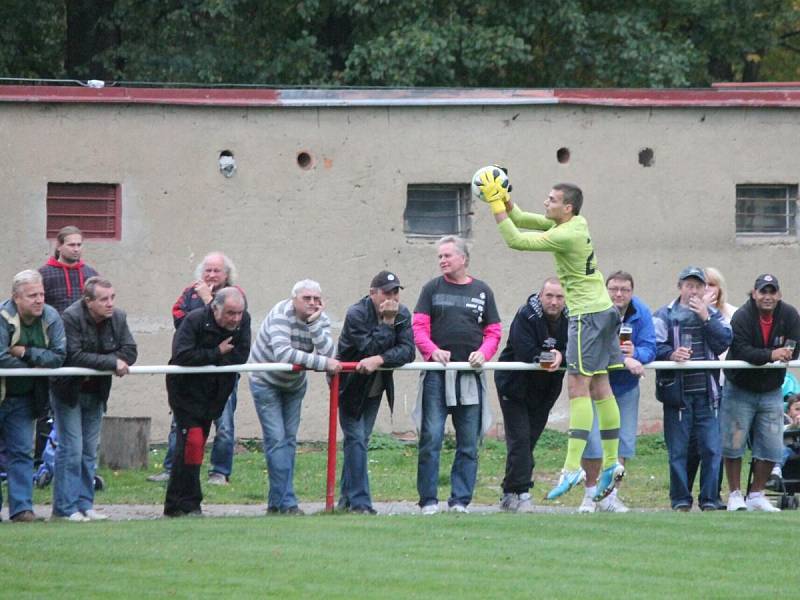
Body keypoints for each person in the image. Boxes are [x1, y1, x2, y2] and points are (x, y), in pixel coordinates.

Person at [477, 175, 625, 501]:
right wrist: (505, 201)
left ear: (567, 207)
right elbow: (524, 219)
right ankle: (613, 463)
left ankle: (572, 467)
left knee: (577, 386)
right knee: (601, 386)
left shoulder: (566, 235)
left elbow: (516, 240)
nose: (546, 203)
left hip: (586, 315)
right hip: (605, 311)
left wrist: (491, 205)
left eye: (552, 200)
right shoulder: (577, 223)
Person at [412, 235, 501, 514]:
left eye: (447, 255)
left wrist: (484, 354)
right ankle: (428, 501)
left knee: (468, 442)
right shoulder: (431, 289)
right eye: (440, 256)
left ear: (463, 259)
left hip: (469, 376)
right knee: (431, 438)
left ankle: (460, 501)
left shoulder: (483, 291)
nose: (442, 260)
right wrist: (432, 351)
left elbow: (494, 332)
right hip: (437, 376)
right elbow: (418, 328)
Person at [149, 252, 244, 485]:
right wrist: (206, 311)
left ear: (226, 274)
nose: (211, 275)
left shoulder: (235, 295)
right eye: (207, 270)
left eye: (216, 271)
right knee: (180, 424)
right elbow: (182, 323)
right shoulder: (189, 292)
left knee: (224, 423)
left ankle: (219, 472)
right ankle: (172, 468)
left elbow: (230, 330)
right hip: (191, 371)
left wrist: (208, 300)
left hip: (222, 372)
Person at [248, 280, 340, 515]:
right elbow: (284, 353)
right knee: (277, 439)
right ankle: (287, 502)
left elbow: (330, 355)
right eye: (306, 298)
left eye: (315, 299)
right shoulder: (281, 313)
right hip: (265, 380)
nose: (311, 303)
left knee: (288, 441)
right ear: (294, 299)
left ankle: (276, 503)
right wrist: (323, 363)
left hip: (293, 384)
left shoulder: (320, 319)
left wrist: (314, 324)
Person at [50, 277, 137, 522]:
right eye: (103, 299)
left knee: (90, 450)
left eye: (112, 298)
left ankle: (85, 504)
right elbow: (74, 355)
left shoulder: (118, 317)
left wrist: (111, 360)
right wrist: (111, 361)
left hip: (96, 392)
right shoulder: (70, 317)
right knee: (72, 449)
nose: (110, 304)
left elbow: (130, 351)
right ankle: (64, 509)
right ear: (88, 301)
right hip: (68, 392)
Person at [163, 287, 250, 517]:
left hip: (216, 394)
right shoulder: (194, 320)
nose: (236, 319)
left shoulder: (244, 321)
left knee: (194, 447)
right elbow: (182, 355)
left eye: (239, 313)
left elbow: (241, 355)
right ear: (215, 308)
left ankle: (177, 505)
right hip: (185, 392)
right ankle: (187, 504)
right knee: (191, 444)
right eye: (231, 313)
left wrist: (216, 358)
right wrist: (216, 353)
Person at [653, 266, 732, 511]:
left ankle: (710, 500)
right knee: (678, 452)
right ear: (680, 287)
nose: (694, 291)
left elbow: (724, 342)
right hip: (677, 395)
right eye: (689, 286)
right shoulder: (665, 314)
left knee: (711, 448)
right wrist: (671, 353)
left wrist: (706, 318)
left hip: (708, 395)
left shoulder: (713, 315)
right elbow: (653, 346)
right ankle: (680, 500)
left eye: (698, 286)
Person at [336, 271, 415, 514]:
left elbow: (407, 351)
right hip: (350, 385)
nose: (391, 297)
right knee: (357, 440)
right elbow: (367, 348)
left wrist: (380, 359)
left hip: (375, 386)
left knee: (358, 441)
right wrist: (387, 324)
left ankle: (346, 500)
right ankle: (360, 504)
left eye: (395, 292)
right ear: (373, 293)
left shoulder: (402, 313)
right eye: (386, 292)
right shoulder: (357, 314)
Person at [721, 274, 800, 512]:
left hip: (771, 390)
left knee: (772, 444)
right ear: (754, 293)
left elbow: (795, 345)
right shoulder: (742, 316)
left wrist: (787, 352)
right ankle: (735, 495)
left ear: (779, 295)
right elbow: (742, 349)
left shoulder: (790, 315)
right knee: (733, 443)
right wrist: (771, 355)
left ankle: (756, 493)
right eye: (763, 292)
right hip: (740, 388)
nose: (767, 297)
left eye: (772, 292)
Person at [580, 271, 656, 513]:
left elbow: (650, 348)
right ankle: (590, 495)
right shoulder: (594, 309)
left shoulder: (640, 312)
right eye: (613, 289)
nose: (618, 294)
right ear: (606, 289)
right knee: (591, 441)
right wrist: (624, 359)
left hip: (625, 387)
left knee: (623, 442)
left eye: (624, 289)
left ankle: (611, 495)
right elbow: (589, 346)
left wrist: (636, 355)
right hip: (595, 384)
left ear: (631, 292)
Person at [495, 277, 567, 512]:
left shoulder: (570, 319)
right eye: (549, 296)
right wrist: (553, 357)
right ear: (540, 296)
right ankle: (523, 492)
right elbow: (526, 351)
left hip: (545, 391)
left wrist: (562, 357)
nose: (554, 302)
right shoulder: (526, 315)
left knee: (528, 442)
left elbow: (575, 348)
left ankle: (509, 491)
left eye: (559, 297)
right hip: (514, 387)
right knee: (520, 440)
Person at [0, 270, 66, 522]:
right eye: (32, 296)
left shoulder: (51, 317)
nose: (39, 300)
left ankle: (22, 509)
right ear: (16, 298)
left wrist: (24, 352)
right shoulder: (2, 317)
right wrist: (34, 366)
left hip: (24, 399)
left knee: (21, 453)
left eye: (41, 294)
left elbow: (58, 356)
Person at [37, 226, 100, 469]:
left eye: (79, 244)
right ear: (59, 245)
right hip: (53, 351)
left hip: (84, 351)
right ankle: (42, 461)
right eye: (71, 244)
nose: (76, 249)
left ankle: (83, 466)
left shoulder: (91, 274)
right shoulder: (44, 274)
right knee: (47, 410)